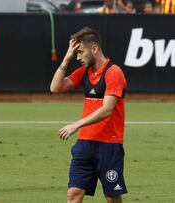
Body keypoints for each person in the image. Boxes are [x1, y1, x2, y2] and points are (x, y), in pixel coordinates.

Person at [50, 27, 127, 203]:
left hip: (109, 145)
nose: (78, 57)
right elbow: (55, 88)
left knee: (112, 196)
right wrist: (67, 58)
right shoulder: (85, 72)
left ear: (94, 49)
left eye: (80, 52)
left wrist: (76, 125)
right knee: (73, 195)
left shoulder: (113, 72)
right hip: (84, 145)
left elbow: (107, 109)